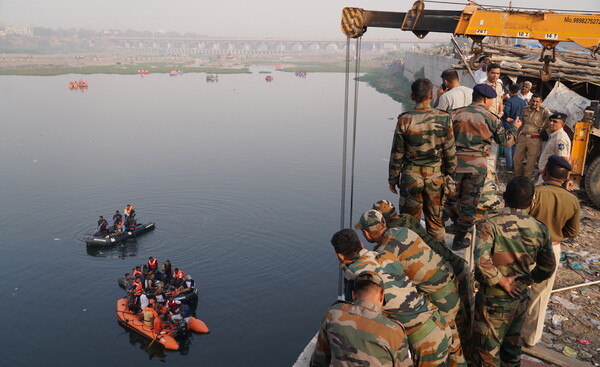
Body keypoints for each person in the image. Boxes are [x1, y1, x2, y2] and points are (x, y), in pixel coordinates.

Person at [354, 212, 466, 366]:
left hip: (440, 298)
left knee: (450, 344)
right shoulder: (403, 231)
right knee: (454, 341)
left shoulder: (386, 251)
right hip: (450, 285)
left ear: (366, 233)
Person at [331, 229, 449, 366]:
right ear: (361, 245)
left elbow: (356, 315)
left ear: (340, 256)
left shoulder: (354, 273)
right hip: (438, 323)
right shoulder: (387, 256)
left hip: (425, 342)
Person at [472, 176, 556, 366]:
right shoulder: (540, 228)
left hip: (493, 300)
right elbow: (548, 267)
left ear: (504, 196)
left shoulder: (490, 224)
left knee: (487, 353)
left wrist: (502, 281)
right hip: (520, 298)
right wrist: (525, 281)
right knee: (512, 350)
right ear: (532, 201)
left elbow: (481, 261)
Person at [447, 84, 520, 250]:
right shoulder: (491, 118)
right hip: (476, 168)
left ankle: (451, 225)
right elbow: (506, 142)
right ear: (486, 99)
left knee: (450, 199)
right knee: (469, 204)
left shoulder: (455, 113)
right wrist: (515, 128)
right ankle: (459, 239)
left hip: (454, 165)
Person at [388, 78, 457, 243]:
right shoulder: (444, 118)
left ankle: (411, 260)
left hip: (411, 178)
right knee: (435, 223)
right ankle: (438, 260)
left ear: (412, 96)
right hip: (435, 178)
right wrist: (451, 175)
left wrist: (393, 179)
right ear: (432, 95)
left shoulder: (405, 119)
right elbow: (450, 151)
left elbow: (397, 153)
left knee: (409, 224)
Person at [521, 156, 580, 347]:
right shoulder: (572, 200)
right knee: (541, 295)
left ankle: (508, 331)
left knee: (517, 288)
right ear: (566, 177)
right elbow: (572, 232)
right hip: (552, 249)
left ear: (545, 171)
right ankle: (530, 338)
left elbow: (520, 220)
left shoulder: (534, 193)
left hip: (527, 247)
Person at [311, 269, 413, 367]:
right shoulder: (393, 331)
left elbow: (319, 361)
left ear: (353, 295)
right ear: (381, 295)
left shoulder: (332, 315)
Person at [513, 94, 552, 178]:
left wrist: (543, 128)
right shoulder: (525, 109)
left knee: (530, 163)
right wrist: (516, 135)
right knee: (516, 159)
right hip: (523, 137)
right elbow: (522, 123)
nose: (534, 103)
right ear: (530, 100)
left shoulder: (544, 110)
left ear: (541, 102)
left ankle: (526, 180)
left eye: (537, 102)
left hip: (535, 139)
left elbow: (551, 120)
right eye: (533, 101)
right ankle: (518, 178)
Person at [536, 113, 571, 184]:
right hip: (546, 174)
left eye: (555, 122)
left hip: (550, 177)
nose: (551, 123)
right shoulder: (555, 135)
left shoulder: (560, 138)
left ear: (563, 124)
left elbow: (563, 160)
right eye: (550, 120)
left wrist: (566, 179)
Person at [502, 84, 527, 172]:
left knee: (508, 145)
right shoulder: (522, 101)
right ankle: (514, 164)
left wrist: (506, 117)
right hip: (519, 124)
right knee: (515, 145)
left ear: (510, 92)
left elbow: (506, 112)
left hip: (509, 124)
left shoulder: (509, 101)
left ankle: (509, 166)